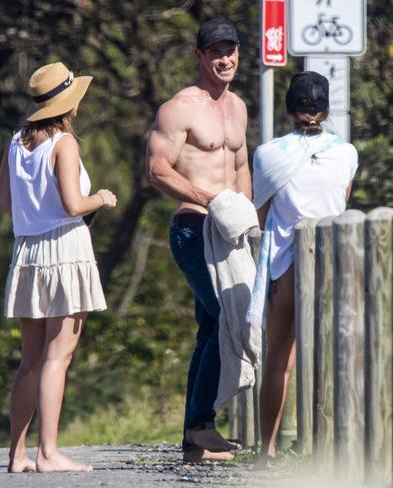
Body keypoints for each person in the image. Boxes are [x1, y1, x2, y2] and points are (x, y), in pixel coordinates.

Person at [0, 61, 117, 473]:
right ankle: (48, 452)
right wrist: (101, 197)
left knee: (30, 359)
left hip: (27, 253)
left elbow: (2, 201)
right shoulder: (64, 143)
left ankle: (17, 454)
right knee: (57, 357)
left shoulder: (16, 142)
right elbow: (73, 205)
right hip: (65, 249)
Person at [145, 18, 250, 462]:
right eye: (216, 52)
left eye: (231, 50)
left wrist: (243, 213)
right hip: (193, 228)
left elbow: (241, 164)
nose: (224, 59)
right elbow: (158, 171)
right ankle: (200, 424)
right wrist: (210, 200)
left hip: (231, 232)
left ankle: (197, 431)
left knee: (211, 326)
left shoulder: (239, 107)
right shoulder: (179, 108)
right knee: (223, 317)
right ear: (200, 56)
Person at [253, 72, 358, 465]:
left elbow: (261, 216)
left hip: (284, 266)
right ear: (327, 110)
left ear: (288, 110)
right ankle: (327, 449)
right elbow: (340, 204)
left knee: (278, 361)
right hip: (332, 267)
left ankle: (266, 452)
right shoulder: (346, 153)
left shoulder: (267, 154)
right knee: (333, 358)